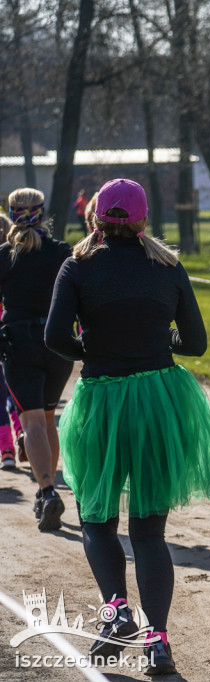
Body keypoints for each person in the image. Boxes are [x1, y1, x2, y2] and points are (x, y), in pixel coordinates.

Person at [46, 178, 210, 675]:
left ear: (95, 219)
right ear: (143, 220)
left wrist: (93, 350)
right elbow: (194, 342)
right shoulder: (168, 266)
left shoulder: (78, 266)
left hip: (103, 397)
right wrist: (158, 337)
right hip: (158, 397)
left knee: (95, 519)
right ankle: (158, 641)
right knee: (149, 532)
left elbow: (54, 337)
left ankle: (116, 615)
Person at [0, 188, 74, 530]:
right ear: (42, 213)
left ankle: (46, 491)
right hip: (57, 344)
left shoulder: (4, 255)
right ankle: (50, 488)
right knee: (47, 420)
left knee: (30, 423)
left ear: (12, 215)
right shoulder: (62, 252)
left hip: (19, 344)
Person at [0, 213, 18, 470]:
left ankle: (7, 449)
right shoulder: (14, 259)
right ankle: (22, 432)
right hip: (14, 335)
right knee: (13, 391)